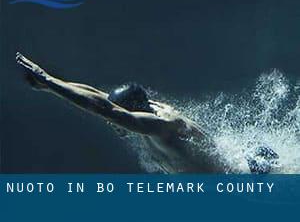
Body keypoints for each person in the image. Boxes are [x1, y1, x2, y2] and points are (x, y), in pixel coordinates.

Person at [15, 52, 277, 173]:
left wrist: (48, 81)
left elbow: (105, 109)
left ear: (132, 112)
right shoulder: (146, 111)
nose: (111, 123)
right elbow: (99, 98)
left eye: (115, 118)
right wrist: (51, 85)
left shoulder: (161, 126)